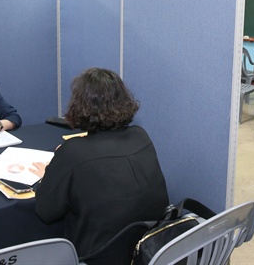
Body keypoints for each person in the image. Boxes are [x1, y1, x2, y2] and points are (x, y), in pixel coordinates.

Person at [30, 68, 169, 262]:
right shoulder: (140, 136)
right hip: (147, 250)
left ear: (80, 105)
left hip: (98, 257)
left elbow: (46, 212)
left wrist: (47, 174)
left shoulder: (72, 152)